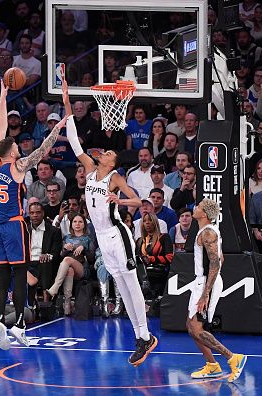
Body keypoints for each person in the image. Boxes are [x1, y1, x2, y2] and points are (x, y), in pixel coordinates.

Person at [66, 108, 157, 367]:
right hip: (102, 237)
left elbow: (140, 201)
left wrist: (120, 199)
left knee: (131, 283)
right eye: (104, 152)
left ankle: (146, 334)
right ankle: (141, 338)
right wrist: (68, 109)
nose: (103, 152)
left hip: (118, 234)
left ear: (113, 162)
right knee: (120, 283)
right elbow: (74, 143)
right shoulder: (90, 169)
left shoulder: (116, 177)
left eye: (109, 153)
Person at [0, 80, 68, 350]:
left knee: (1, 273)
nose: (18, 148)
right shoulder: (18, 165)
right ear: (11, 151)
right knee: (20, 274)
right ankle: (19, 324)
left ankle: (0, 318)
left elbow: (0, 126)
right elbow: (43, 150)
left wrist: (2, 95)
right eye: (15, 147)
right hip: (12, 225)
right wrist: (59, 125)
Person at [187, 198, 246, 382]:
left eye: (198, 207)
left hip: (206, 284)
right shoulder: (206, 231)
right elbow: (221, 258)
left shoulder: (208, 233)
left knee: (198, 328)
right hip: (201, 282)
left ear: (204, 213)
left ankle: (233, 358)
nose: (194, 208)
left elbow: (215, 263)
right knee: (190, 327)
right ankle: (212, 365)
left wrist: (206, 292)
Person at [46, 212, 94, 315]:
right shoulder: (66, 238)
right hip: (69, 269)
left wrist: (84, 248)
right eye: (75, 222)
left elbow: (91, 259)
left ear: (84, 224)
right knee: (69, 269)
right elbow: (61, 256)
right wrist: (65, 248)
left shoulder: (88, 238)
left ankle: (55, 287)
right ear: (71, 224)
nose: (77, 224)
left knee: (68, 260)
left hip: (82, 269)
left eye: (80, 222)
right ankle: (67, 303)